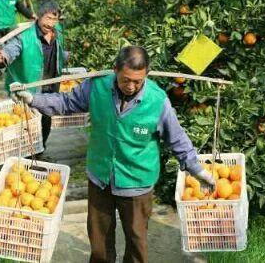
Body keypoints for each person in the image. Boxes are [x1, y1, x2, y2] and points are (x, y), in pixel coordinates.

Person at [12, 46, 215, 263]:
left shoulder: (157, 101)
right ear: (115, 70)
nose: (131, 86)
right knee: (99, 242)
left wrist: (197, 170)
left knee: (137, 242)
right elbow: (66, 103)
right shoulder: (97, 86)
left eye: (138, 81)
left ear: (146, 74)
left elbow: (177, 139)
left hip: (137, 182)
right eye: (125, 79)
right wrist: (33, 99)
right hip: (101, 177)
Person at [0, 0, 67, 147]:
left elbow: (60, 53)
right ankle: (25, 153)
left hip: (51, 84)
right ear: (38, 17)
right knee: (26, 122)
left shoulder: (58, 32)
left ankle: (40, 149)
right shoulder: (25, 35)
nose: (50, 23)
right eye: (47, 18)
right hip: (29, 86)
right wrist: (3, 57)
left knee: (46, 118)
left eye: (54, 19)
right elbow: (12, 49)